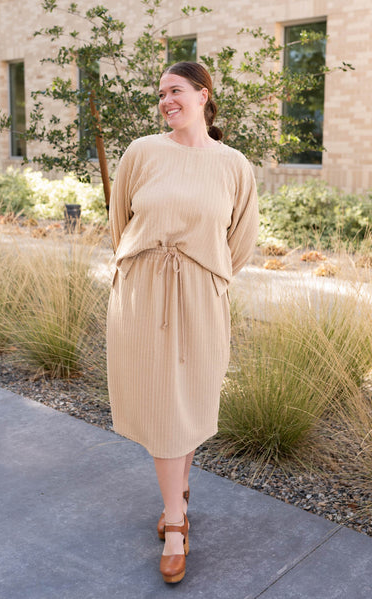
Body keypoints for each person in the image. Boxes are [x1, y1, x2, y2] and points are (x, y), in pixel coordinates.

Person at [107, 61, 259, 584]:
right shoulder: (142, 152)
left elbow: (239, 242)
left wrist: (205, 278)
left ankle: (179, 493)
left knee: (191, 396)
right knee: (162, 403)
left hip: (201, 292)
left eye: (175, 91)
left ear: (202, 95)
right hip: (144, 290)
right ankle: (176, 522)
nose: (166, 101)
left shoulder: (234, 164)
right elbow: (118, 222)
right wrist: (143, 270)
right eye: (160, 95)